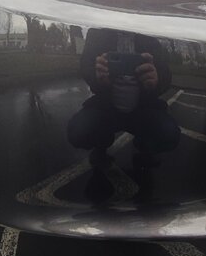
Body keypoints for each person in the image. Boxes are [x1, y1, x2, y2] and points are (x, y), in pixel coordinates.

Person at [66, 29, 181, 202]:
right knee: (78, 131)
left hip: (144, 108)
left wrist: (156, 80)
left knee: (169, 133)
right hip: (106, 106)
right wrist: (97, 76)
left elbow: (166, 73)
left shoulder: (149, 35)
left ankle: (144, 146)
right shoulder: (98, 32)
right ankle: (101, 144)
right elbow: (86, 65)